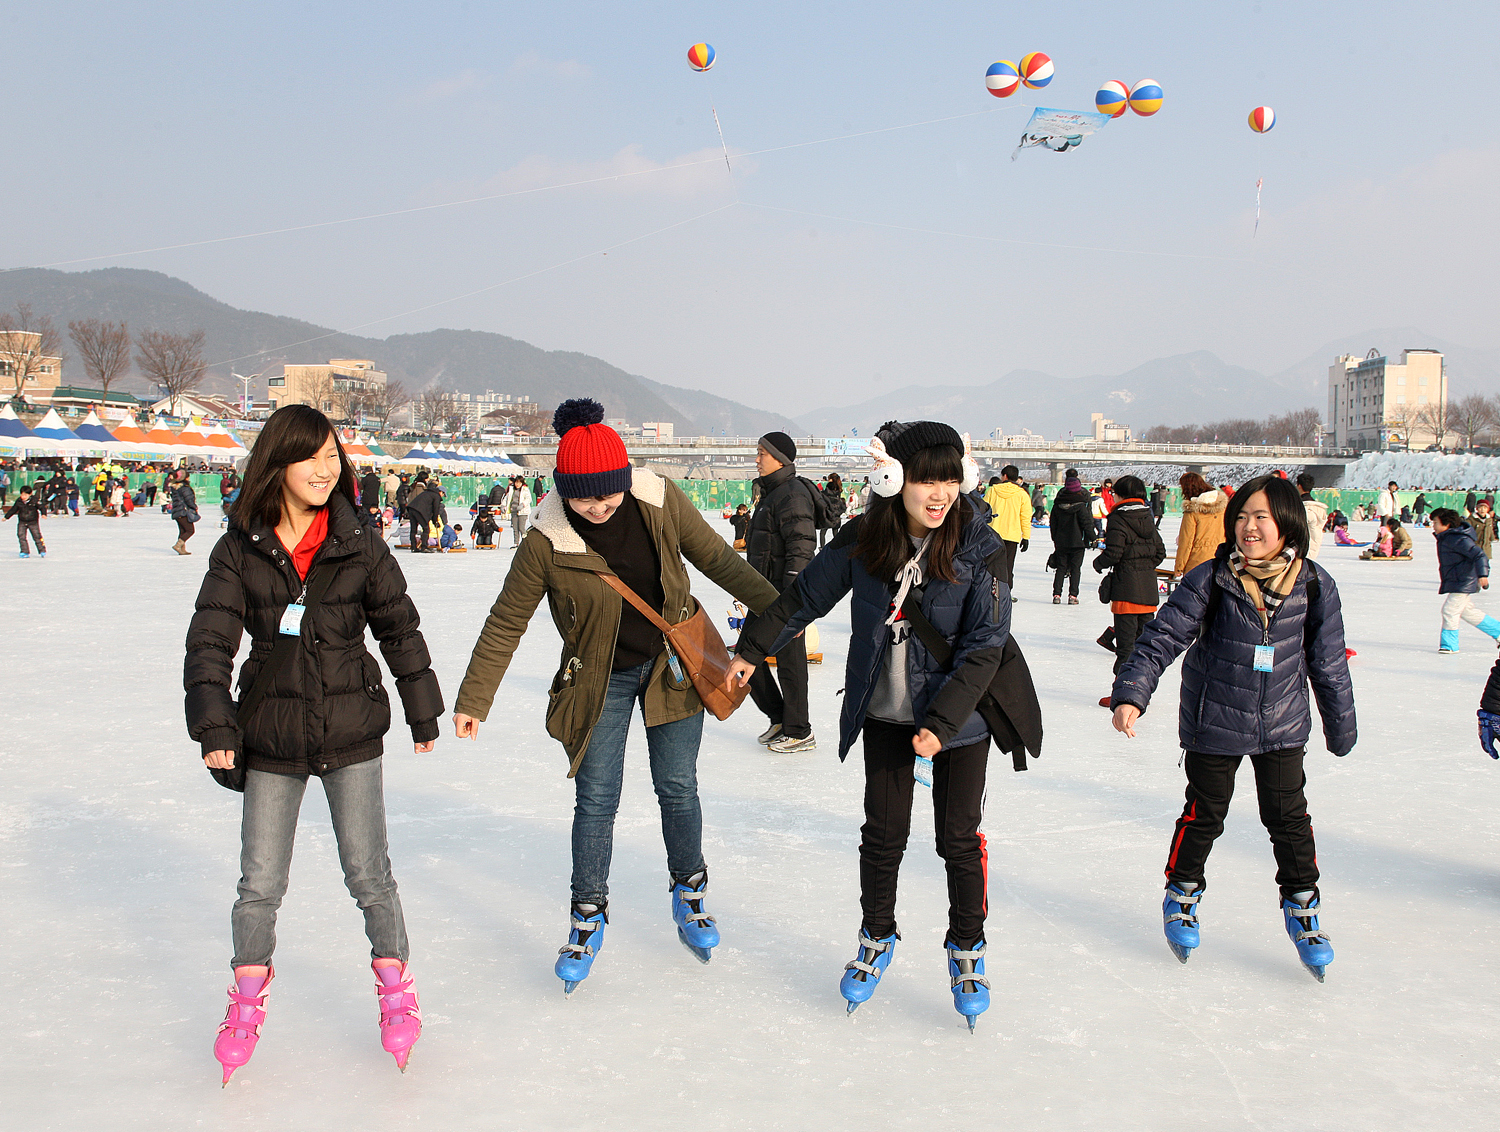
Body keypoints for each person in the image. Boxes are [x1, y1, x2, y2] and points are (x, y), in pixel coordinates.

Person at [450, 399, 779, 995]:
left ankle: (691, 893)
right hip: (596, 681)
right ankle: (587, 914)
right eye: (583, 498)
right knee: (597, 798)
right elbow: (506, 622)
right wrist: (475, 698)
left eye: (609, 495)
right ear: (562, 489)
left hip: (673, 668)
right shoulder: (545, 541)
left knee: (677, 787)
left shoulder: (657, 501)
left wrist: (783, 615)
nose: (599, 507)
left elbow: (716, 561)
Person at [184, 404, 443, 1082]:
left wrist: (422, 711)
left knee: (369, 875)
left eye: (333, 454)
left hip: (351, 729)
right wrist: (215, 726)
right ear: (278, 463)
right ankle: (245, 1001)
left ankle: (396, 992)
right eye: (310, 457)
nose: (325, 468)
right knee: (259, 884)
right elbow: (211, 642)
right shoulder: (241, 546)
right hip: (270, 734)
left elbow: (399, 627)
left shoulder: (360, 540)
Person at [727, 419, 1007, 1029]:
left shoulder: (981, 545)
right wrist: (751, 652)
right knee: (883, 834)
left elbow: (986, 644)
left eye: (950, 479)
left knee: (958, 839)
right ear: (894, 479)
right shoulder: (862, 542)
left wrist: (942, 720)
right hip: (884, 711)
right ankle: (877, 935)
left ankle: (968, 948)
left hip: (961, 721)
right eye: (926, 479)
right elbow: (803, 599)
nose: (939, 493)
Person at [1111, 476, 1355, 979]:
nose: (1248, 527)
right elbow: (1162, 638)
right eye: (1241, 517)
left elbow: (1328, 661)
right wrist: (1133, 692)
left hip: (1283, 722)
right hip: (1215, 718)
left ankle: (1303, 907)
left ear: (1286, 524)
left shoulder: (1313, 584)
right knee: (1205, 813)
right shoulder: (1211, 578)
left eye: (1260, 518)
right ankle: (1181, 893)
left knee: (1288, 817)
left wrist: (1340, 727)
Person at [744, 432, 819, 752]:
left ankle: (799, 730)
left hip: (782, 597)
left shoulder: (791, 494)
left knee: (790, 661)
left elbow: (801, 550)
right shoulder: (773, 492)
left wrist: (794, 603)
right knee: (746, 654)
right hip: (763, 594)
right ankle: (779, 717)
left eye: (762, 453)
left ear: (780, 458)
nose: (757, 458)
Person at [1092, 475, 1166, 707]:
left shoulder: (1118, 517)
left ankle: (1121, 694)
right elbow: (1160, 552)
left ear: (1121, 494)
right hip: (1148, 591)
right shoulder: (1147, 516)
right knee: (1143, 645)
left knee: (1125, 647)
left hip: (1126, 590)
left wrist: (1099, 564)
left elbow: (1114, 552)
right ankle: (1142, 691)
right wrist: (1143, 567)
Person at [1431, 508, 1500, 652]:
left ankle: (1449, 646)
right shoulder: (1447, 538)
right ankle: (1498, 631)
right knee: (1467, 611)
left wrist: (1483, 575)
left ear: (1447, 524)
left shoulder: (1458, 539)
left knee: (1449, 610)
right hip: (1458, 579)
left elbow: (1480, 555)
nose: (1433, 526)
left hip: (1464, 581)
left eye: (1436, 522)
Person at [982, 465, 1030, 592]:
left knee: (990, 565)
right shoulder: (1022, 494)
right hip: (1011, 536)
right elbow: (1025, 517)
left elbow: (984, 510)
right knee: (1008, 567)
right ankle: (1006, 593)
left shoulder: (992, 490)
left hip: (993, 534)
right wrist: (1025, 537)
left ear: (1005, 476)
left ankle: (988, 591)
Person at [1048, 469, 1092, 604]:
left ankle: (1057, 595)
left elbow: (1053, 522)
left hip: (1061, 540)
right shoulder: (1081, 504)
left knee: (1061, 568)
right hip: (1078, 541)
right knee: (1075, 569)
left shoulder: (1058, 502)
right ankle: (1073, 595)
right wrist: (1092, 538)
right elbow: (1087, 522)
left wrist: (1055, 537)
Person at [1173, 472, 1226, 578]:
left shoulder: (1192, 511)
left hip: (1198, 561)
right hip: (1220, 559)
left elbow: (1186, 542)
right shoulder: (1223, 507)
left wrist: (1179, 566)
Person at [5, 483, 45, 557]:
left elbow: (42, 507)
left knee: (37, 536)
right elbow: (13, 509)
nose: (23, 497)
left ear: (30, 494)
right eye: (22, 495)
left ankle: (42, 550)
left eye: (25, 495)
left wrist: (43, 513)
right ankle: (24, 551)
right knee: (21, 536)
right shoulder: (19, 501)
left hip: (33, 522)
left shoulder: (34, 500)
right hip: (22, 521)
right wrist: (6, 517)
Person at [404, 473, 439, 553]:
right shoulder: (434, 495)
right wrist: (435, 521)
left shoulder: (423, 491)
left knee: (413, 529)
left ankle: (414, 547)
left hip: (411, 508)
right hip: (419, 510)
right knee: (426, 529)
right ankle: (424, 547)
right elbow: (435, 509)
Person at [1296, 474, 1327, 560]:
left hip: (1301, 551)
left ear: (1299, 486)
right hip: (1314, 550)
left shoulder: (1303, 508)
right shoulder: (1319, 509)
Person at [170, 469, 199, 555]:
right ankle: (178, 546)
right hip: (183, 511)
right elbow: (188, 499)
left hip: (177, 511)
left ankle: (182, 549)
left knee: (183, 531)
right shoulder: (184, 488)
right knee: (190, 530)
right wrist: (194, 507)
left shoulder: (175, 488)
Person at [818, 472, 847, 549]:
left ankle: (822, 548)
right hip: (836, 514)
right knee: (835, 533)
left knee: (823, 532)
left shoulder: (828, 490)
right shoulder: (839, 490)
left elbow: (823, 500)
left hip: (828, 514)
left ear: (831, 479)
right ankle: (836, 548)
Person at [503, 475, 533, 548]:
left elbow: (529, 499)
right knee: (515, 528)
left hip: (522, 511)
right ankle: (516, 543)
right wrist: (503, 505)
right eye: (516, 482)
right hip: (513, 510)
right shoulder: (511, 489)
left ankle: (526, 542)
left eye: (519, 483)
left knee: (521, 528)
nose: (517, 484)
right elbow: (506, 498)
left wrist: (522, 505)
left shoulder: (525, 490)